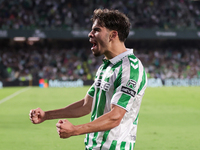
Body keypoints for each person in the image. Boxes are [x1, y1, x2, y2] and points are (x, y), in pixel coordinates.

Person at [29, 8, 147, 150]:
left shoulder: (130, 68)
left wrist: (75, 130)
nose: (90, 34)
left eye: (96, 30)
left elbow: (115, 116)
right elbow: (86, 104)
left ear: (113, 35)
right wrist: (46, 116)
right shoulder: (106, 67)